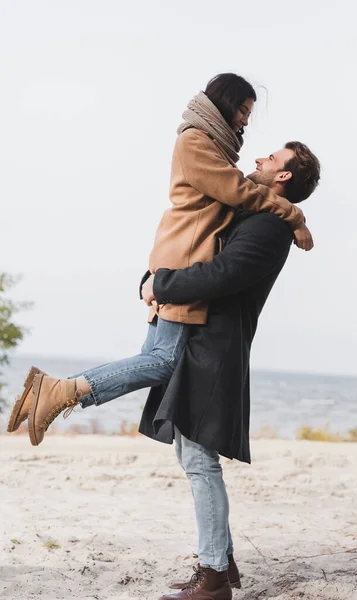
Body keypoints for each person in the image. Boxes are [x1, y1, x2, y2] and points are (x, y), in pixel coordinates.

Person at [7, 74, 311, 446]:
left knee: (154, 357)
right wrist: (294, 215)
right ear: (227, 105)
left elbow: (239, 188)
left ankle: (54, 391)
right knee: (165, 361)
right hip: (185, 257)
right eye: (244, 111)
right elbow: (237, 190)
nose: (247, 121)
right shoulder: (196, 142)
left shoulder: (213, 145)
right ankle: (57, 391)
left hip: (180, 256)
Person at [138, 141, 321, 600]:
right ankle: (221, 558)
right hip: (202, 341)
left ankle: (214, 577)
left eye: (271, 159)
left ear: (282, 177)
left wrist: (161, 283)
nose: (258, 158)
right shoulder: (257, 213)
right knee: (191, 457)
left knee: (201, 462)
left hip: (216, 351)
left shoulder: (267, 226)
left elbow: (221, 276)